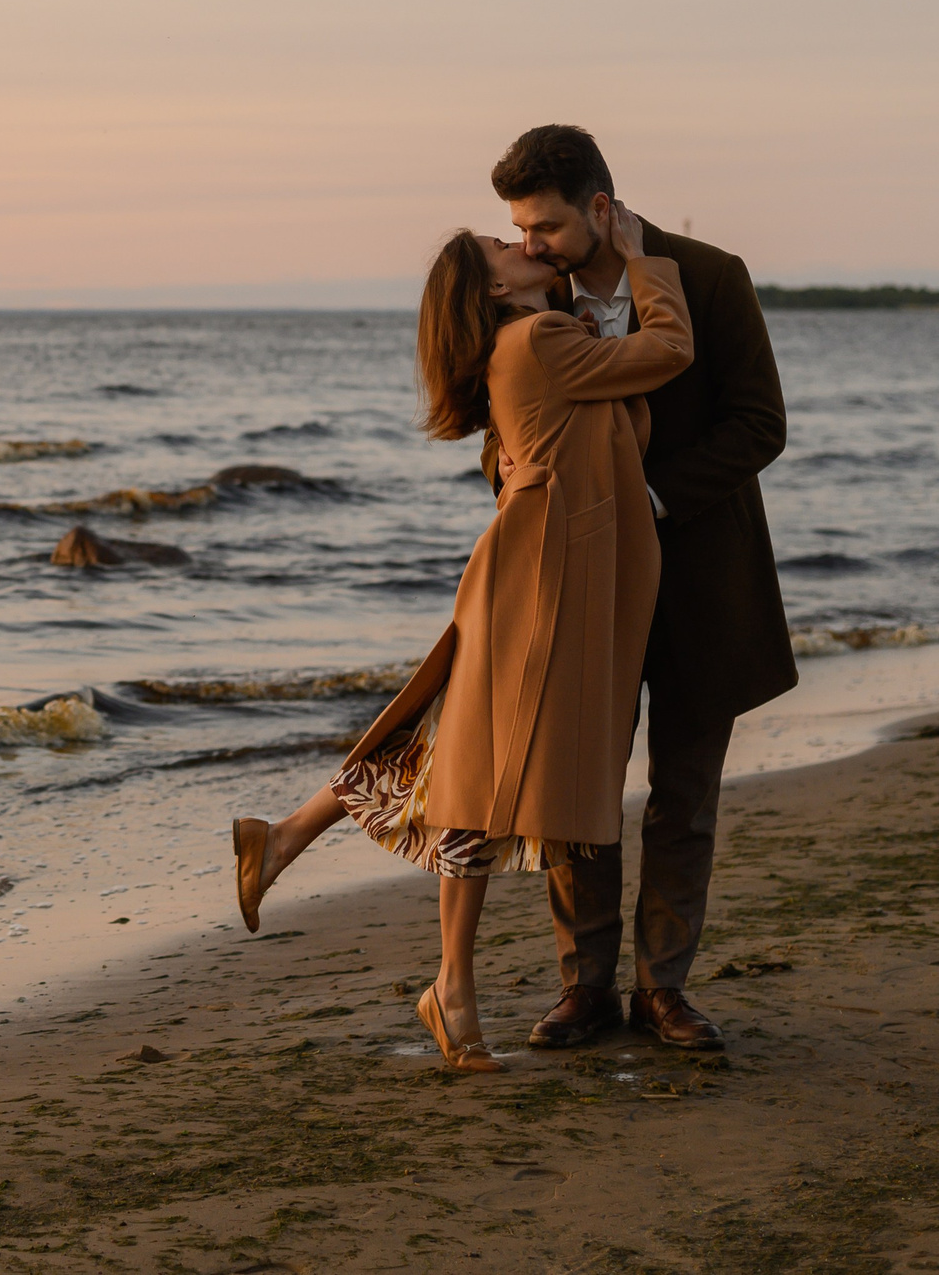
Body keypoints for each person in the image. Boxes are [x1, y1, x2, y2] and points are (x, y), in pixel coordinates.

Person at [234, 201, 692, 1070]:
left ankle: (292, 840)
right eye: (499, 244)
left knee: (455, 760)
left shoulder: (533, 342)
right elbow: (667, 351)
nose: (516, 244)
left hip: (541, 572)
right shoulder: (533, 342)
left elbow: (621, 427)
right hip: (533, 580)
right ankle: (446, 986)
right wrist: (640, 261)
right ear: (490, 284)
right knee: (468, 773)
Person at [486, 125, 795, 1052]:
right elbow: (507, 429)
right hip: (579, 584)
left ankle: (663, 989)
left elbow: (759, 424)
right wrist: (513, 488)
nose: (528, 245)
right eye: (518, 229)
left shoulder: (709, 274)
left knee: (683, 795)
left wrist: (646, 500)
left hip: (702, 578)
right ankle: (584, 988)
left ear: (602, 209)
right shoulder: (526, 297)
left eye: (542, 227)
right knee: (576, 792)